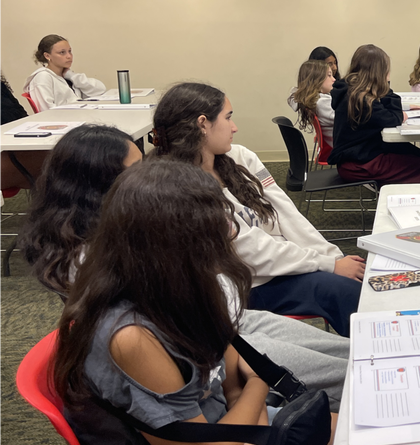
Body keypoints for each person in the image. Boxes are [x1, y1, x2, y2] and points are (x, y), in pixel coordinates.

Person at [54, 159, 406, 445]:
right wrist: (253, 404)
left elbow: (234, 370)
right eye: (215, 227)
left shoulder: (175, 283)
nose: (230, 231)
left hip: (224, 432)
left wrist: (250, 426)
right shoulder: (131, 337)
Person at [19, 124, 352, 411]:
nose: (145, 180)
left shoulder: (121, 229)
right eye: (134, 173)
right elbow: (214, 297)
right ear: (100, 187)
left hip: (226, 323)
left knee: (355, 353)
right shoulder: (91, 255)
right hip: (201, 344)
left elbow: (222, 296)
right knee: (350, 377)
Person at [152, 82, 366, 337]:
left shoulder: (240, 157)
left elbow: (286, 212)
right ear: (202, 124)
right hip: (247, 285)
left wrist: (333, 257)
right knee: (343, 292)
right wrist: (326, 265)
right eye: (228, 118)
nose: (235, 127)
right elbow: (251, 251)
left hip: (285, 264)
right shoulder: (179, 188)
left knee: (357, 282)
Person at [328, 44, 420, 185]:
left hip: (357, 157)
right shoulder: (361, 99)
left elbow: (388, 110)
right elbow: (394, 117)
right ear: (377, 72)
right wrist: (385, 84)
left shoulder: (350, 89)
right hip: (359, 164)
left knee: (416, 154)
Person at [23, 34, 106, 111]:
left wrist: (72, 76)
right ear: (47, 56)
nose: (69, 56)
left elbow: (100, 90)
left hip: (79, 116)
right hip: (65, 122)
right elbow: (47, 111)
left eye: (69, 51)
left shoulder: (66, 76)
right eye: (62, 52)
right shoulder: (42, 78)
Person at [287, 59, 336, 146]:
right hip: (347, 148)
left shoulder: (313, 100)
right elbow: (347, 120)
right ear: (317, 80)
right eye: (329, 75)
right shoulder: (322, 102)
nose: (334, 79)